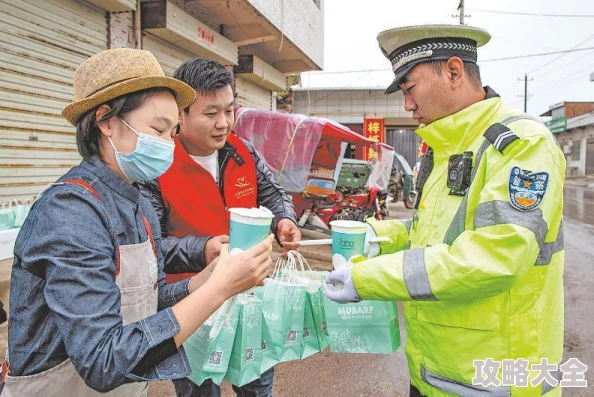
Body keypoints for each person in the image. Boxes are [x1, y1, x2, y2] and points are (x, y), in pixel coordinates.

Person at [0, 48, 273, 397]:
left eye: (172, 132)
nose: (169, 146)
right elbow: (102, 360)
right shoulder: (70, 212)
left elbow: (148, 301)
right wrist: (217, 290)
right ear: (107, 121)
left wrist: (202, 282)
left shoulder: (137, 203)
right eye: (158, 130)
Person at [324, 25, 565, 397]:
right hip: (433, 371)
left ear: (454, 72)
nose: (407, 105)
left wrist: (366, 278)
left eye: (409, 89)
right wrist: (378, 237)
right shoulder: (444, 148)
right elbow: (430, 234)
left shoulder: (521, 145)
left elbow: (495, 256)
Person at [139, 57, 301, 397]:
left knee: (256, 387)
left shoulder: (243, 152)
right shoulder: (157, 166)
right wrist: (204, 249)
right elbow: (150, 247)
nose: (223, 123)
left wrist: (285, 218)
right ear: (180, 115)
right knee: (199, 389)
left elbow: (272, 192)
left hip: (249, 295)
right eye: (211, 114)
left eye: (229, 111)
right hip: (191, 302)